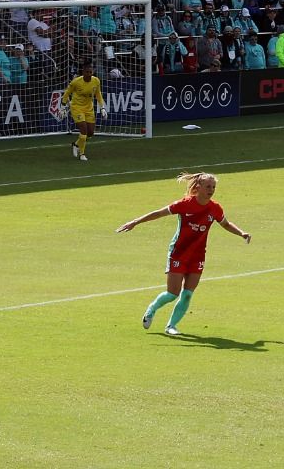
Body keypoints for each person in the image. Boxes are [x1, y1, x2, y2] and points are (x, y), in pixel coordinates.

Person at [118, 172, 252, 335]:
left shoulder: (215, 208)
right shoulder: (185, 204)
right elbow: (159, 213)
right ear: (198, 187)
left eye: (213, 187)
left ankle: (171, 326)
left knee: (187, 294)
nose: (211, 190)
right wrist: (135, 222)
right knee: (172, 293)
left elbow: (225, 223)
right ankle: (152, 309)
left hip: (198, 255)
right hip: (179, 253)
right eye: (208, 186)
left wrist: (241, 233)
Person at [62, 59, 102, 161]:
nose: (89, 74)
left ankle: (76, 144)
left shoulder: (96, 81)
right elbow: (67, 93)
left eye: (91, 72)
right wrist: (62, 107)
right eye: (87, 72)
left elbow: (98, 94)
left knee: (90, 133)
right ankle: (82, 154)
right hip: (77, 107)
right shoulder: (76, 82)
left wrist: (102, 107)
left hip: (89, 108)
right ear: (83, 72)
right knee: (83, 130)